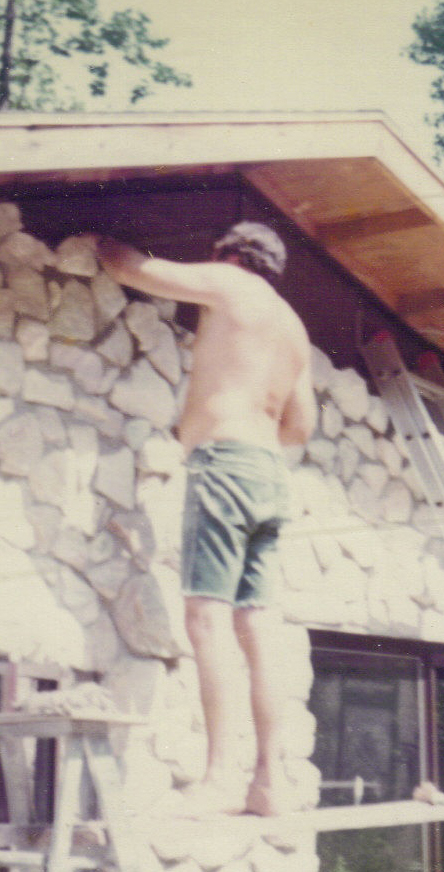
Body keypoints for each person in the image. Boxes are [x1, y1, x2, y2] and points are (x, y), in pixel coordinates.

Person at [87, 222, 316, 817]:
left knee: (207, 620)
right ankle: (269, 782)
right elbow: (301, 427)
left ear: (231, 255)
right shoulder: (292, 326)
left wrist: (101, 239)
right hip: (268, 472)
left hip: (225, 462)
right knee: (258, 631)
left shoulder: (229, 282)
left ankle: (219, 779)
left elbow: (134, 270)